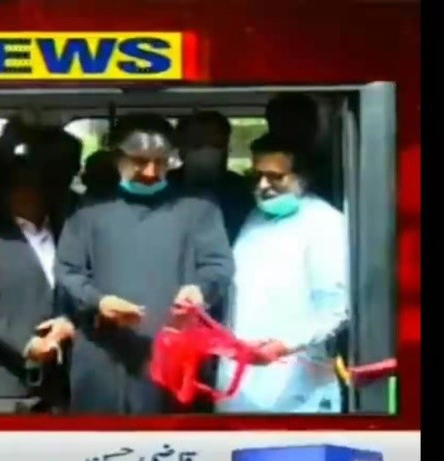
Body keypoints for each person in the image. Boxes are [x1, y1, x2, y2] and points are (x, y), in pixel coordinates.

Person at [44, 114, 234, 414]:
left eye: (160, 162)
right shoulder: (90, 209)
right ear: (117, 158)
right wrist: (98, 301)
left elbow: (218, 265)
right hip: (102, 356)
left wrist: (200, 289)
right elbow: (67, 270)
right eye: (139, 161)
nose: (151, 172)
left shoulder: (198, 208)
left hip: (173, 354)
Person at [215, 135, 348, 413]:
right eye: (257, 176)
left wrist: (284, 345)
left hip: (297, 382)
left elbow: (335, 308)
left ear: (303, 177)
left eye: (275, 177)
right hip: (241, 379)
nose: (263, 186)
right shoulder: (256, 218)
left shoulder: (324, 223)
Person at [0, 158, 74, 413]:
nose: (31, 193)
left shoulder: (69, 234)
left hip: (63, 384)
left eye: (39, 185)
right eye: (21, 186)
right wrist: (27, 344)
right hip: (9, 385)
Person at [172, 111, 251, 243]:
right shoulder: (162, 188)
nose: (207, 153)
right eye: (197, 146)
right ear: (181, 149)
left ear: (227, 148)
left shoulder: (242, 191)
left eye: (216, 146)